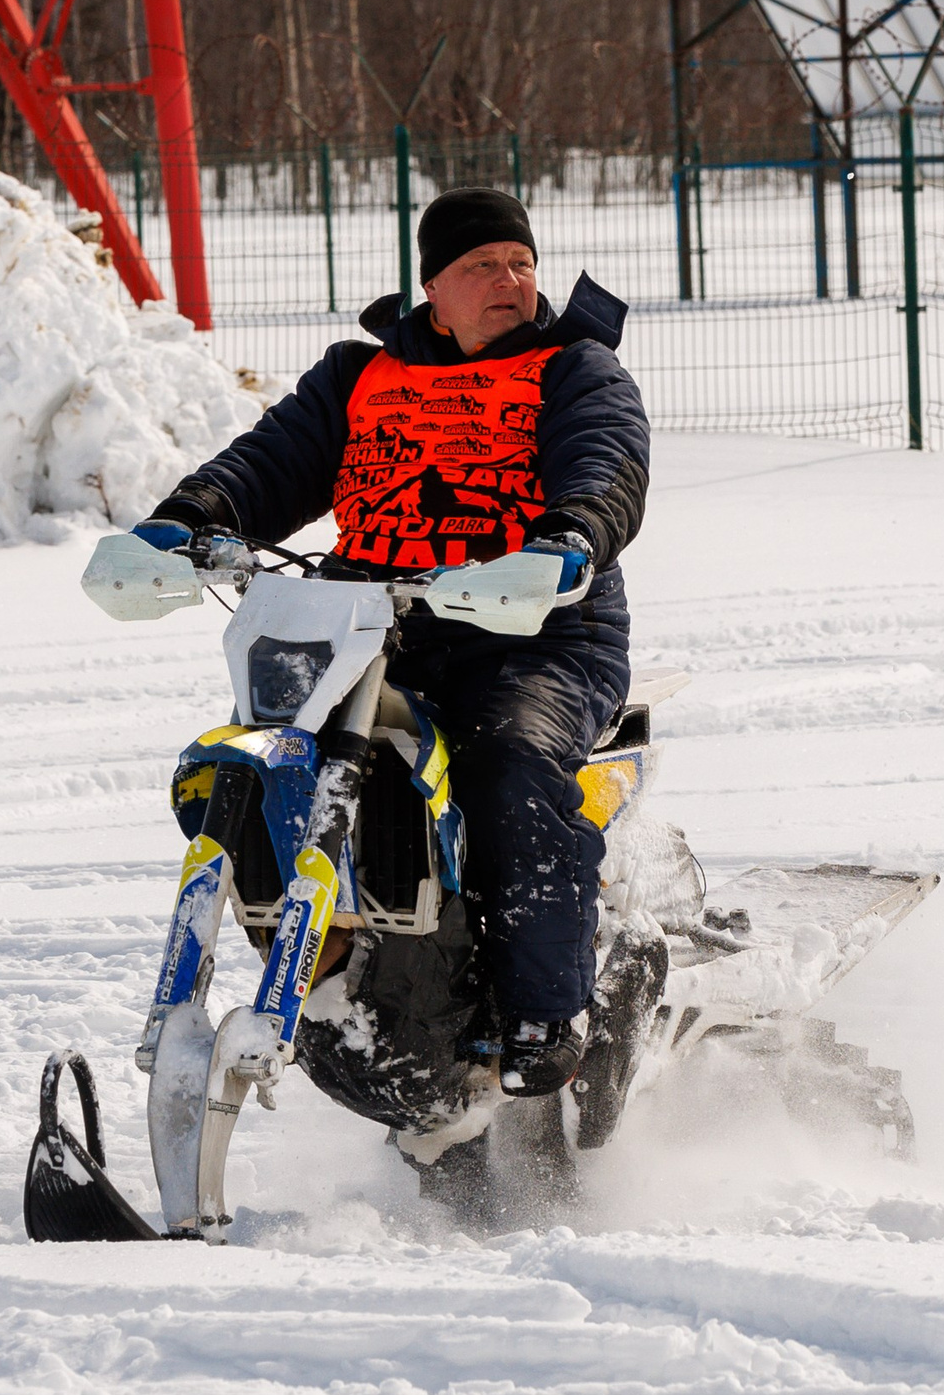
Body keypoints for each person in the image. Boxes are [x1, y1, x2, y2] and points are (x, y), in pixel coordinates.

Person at [131, 188, 648, 1097]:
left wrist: (568, 536)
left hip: (535, 634)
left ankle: (542, 1013)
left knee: (509, 763)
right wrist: (185, 520)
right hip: (367, 627)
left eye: (521, 263)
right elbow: (270, 461)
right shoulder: (359, 376)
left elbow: (605, 459)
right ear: (431, 289)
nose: (511, 280)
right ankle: (306, 970)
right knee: (249, 768)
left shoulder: (574, 366)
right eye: (482, 265)